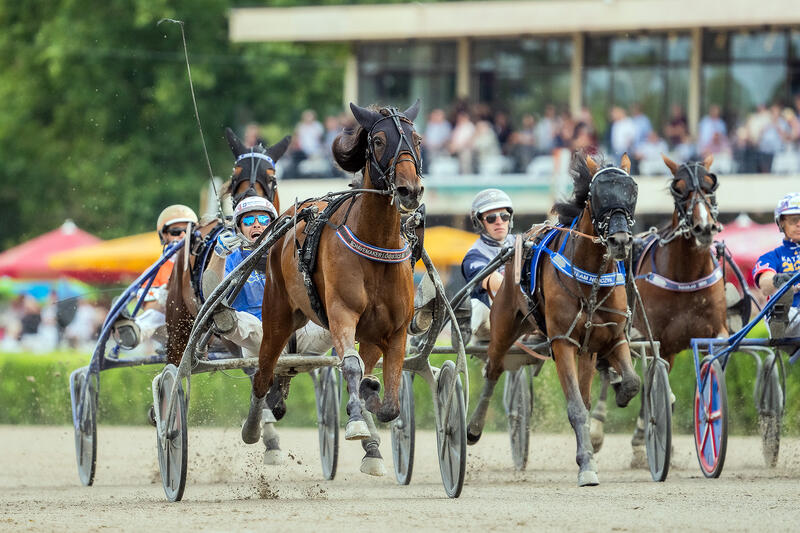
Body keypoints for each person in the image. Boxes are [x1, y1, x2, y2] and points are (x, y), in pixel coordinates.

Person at [208, 196, 333, 462]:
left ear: (273, 224)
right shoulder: (231, 258)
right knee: (241, 322)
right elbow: (211, 295)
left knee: (339, 322)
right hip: (257, 337)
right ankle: (228, 323)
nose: (256, 225)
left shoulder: (290, 253)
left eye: (263, 219)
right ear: (239, 228)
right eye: (249, 221)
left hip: (300, 336)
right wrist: (218, 255)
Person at [112, 204, 198, 350]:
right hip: (172, 330)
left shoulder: (205, 262)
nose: (183, 235)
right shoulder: (155, 270)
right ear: (165, 236)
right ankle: (134, 332)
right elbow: (151, 307)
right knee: (159, 307)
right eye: (176, 232)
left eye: (188, 230)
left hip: (206, 326)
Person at [753, 192, 800, 338]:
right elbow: (765, 285)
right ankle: (778, 317)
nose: (799, 224)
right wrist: (780, 281)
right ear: (781, 223)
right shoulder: (772, 257)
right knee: (780, 296)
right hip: (790, 316)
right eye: (794, 220)